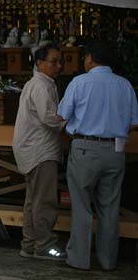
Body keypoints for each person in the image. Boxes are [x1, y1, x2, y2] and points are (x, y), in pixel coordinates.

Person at [58, 40, 138, 271]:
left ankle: (79, 260)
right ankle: (108, 261)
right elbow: (133, 123)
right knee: (110, 207)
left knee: (82, 206)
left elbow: (62, 115)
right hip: (115, 150)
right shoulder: (125, 85)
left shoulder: (79, 82)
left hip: (85, 147)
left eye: (85, 57)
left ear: (90, 58)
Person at [12, 45, 65, 261]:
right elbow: (50, 118)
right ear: (40, 63)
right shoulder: (41, 86)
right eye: (54, 61)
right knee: (44, 200)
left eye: (60, 61)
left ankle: (30, 244)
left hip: (34, 148)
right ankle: (44, 245)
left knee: (33, 200)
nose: (59, 66)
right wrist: (72, 121)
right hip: (40, 149)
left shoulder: (39, 83)